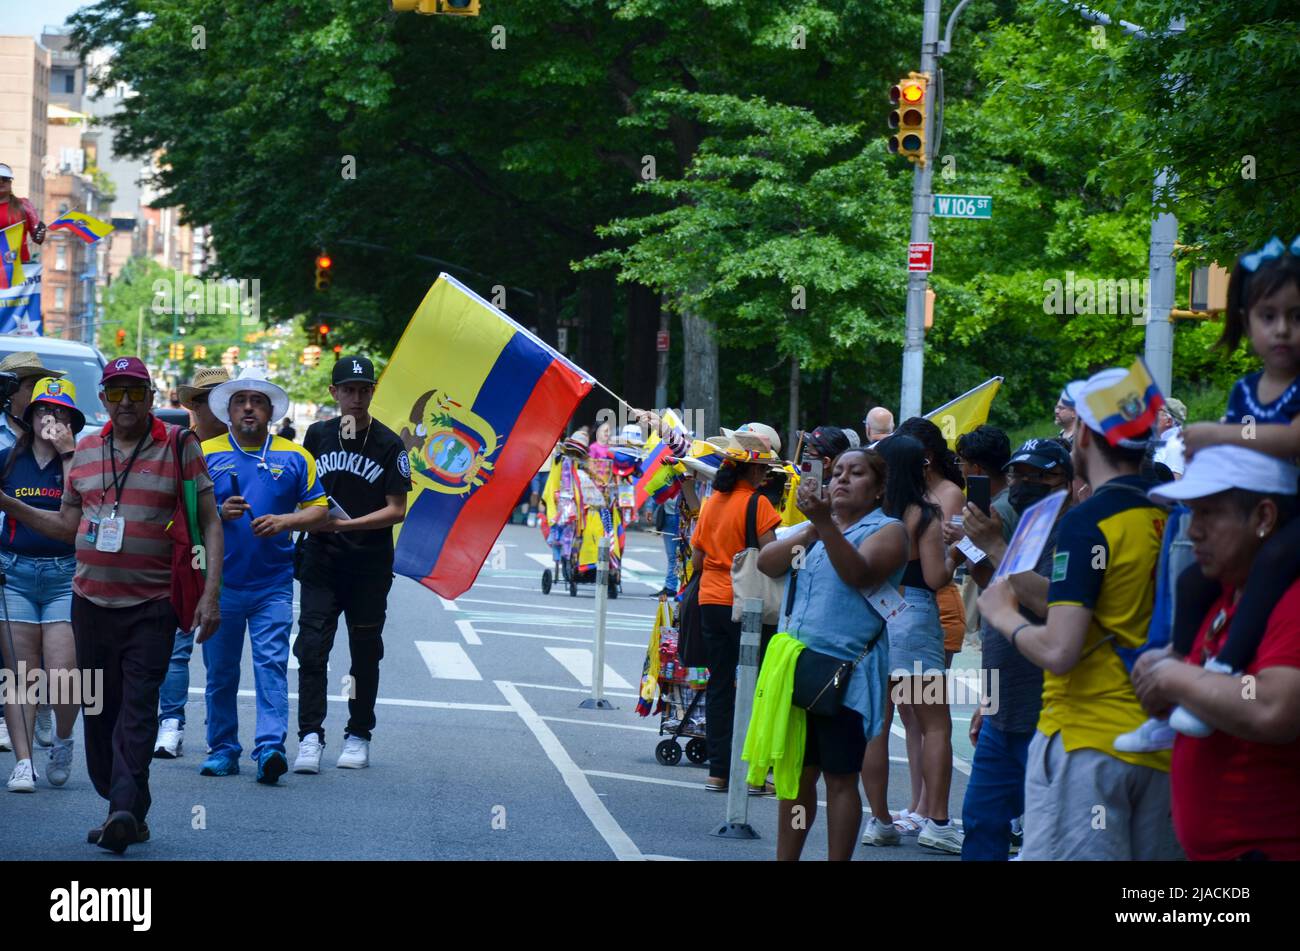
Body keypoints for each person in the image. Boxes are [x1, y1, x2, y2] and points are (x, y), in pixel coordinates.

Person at [0, 356, 223, 852]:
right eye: (116, 392)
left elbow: (209, 520)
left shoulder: (179, 445)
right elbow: (64, 526)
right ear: (102, 399)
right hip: (90, 603)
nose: (126, 402)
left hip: (153, 604)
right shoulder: (83, 451)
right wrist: (10, 505)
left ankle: (120, 809)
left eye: (135, 392)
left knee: (138, 710)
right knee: (99, 715)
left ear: (150, 395)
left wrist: (210, 593)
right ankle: (128, 808)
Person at [977, 366, 1181, 861]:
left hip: (1088, 744)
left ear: (1085, 435)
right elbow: (1084, 602)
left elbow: (1059, 649)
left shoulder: (1089, 522)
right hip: (1161, 748)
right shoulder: (1170, 516)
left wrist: (1003, 614)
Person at [1130, 446, 1300, 860]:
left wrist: (1174, 678)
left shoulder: (1292, 602)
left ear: (1263, 517)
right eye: (1191, 514)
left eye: (1209, 514)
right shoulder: (1224, 594)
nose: (1193, 532)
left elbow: (1271, 706)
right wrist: (1169, 679)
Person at [1159, 238, 1300, 738]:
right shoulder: (1244, 387)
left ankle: (1224, 671)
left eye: (1296, 316)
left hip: (1290, 512)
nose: (1282, 329)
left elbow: (1292, 437)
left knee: (1275, 562)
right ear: (1246, 319)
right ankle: (1175, 670)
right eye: (1268, 316)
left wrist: (1218, 434)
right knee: (1190, 580)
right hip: (1258, 499)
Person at [755, 447, 909, 860]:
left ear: (877, 490)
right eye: (837, 472)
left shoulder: (888, 530)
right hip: (799, 668)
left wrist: (825, 524)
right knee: (797, 777)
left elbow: (858, 573)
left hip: (847, 675)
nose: (841, 479)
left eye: (856, 473)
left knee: (841, 778)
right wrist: (811, 528)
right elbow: (768, 564)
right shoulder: (816, 530)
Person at [199, 370, 328, 784]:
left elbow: (319, 510)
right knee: (220, 673)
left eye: (257, 401)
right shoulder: (205, 453)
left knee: (271, 665)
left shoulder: (295, 456)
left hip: (273, 583)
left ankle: (270, 747)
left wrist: (285, 521)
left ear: (271, 411)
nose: (249, 408)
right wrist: (218, 513)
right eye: (241, 402)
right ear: (229, 411)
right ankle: (223, 748)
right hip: (220, 585)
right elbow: (182, 513)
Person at [954, 438, 1074, 860]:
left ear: (1068, 482)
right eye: (1017, 474)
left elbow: (1048, 600)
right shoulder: (1024, 527)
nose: (1024, 483)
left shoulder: (1076, 533)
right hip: (1002, 711)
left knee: (1049, 836)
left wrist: (994, 545)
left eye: (1038, 474)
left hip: (1050, 712)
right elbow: (1000, 595)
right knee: (981, 821)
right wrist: (987, 700)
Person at [292, 356, 410, 773]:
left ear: (373, 392)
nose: (356, 398)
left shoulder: (389, 444)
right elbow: (301, 490)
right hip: (321, 561)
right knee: (311, 647)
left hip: (368, 564)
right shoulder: (317, 435)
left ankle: (358, 734)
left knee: (364, 654)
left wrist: (349, 525)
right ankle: (309, 736)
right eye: (349, 389)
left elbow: (397, 509)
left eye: (364, 389)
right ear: (334, 393)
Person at [862, 433, 959, 852]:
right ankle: (937, 822)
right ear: (917, 467)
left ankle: (880, 820)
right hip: (916, 617)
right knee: (935, 724)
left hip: (871, 617)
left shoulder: (869, 513)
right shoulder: (925, 513)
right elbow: (937, 577)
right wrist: (958, 553)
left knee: (876, 726)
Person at [1, 378, 85, 792]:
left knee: (64, 673)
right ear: (29, 418)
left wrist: (68, 452)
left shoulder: (81, 459)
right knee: (20, 674)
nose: (52, 419)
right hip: (14, 573)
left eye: (62, 412)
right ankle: (22, 761)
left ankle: (64, 740)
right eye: (44, 411)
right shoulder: (7, 460)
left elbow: (78, 508)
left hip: (64, 575)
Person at [690, 428, 783, 793]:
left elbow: (698, 559)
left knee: (719, 685)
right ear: (752, 471)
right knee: (756, 687)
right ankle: (754, 773)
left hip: (710, 601)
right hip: (747, 606)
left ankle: (718, 770)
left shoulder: (712, 502)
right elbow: (772, 560)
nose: (765, 475)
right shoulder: (758, 505)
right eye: (762, 470)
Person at [892, 416, 965, 832]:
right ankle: (919, 805)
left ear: (927, 457)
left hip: (937, 608)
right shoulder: (914, 496)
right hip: (914, 609)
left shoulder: (946, 494)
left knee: (928, 716)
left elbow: (939, 561)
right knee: (910, 714)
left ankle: (930, 809)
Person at [153, 366, 230, 759]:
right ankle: (170, 723)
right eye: (206, 400)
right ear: (194, 405)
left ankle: (223, 740)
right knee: (175, 646)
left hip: (235, 567)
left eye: (221, 399)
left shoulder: (247, 446)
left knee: (221, 659)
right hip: (183, 557)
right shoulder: (176, 445)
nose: (213, 408)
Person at [0, 352, 66, 753]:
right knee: (14, 651)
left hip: (52, 562)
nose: (42, 402)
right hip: (8, 557)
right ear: (13, 393)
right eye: (31, 388)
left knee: (46, 649)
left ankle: (40, 708)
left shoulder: (63, 443)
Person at [0, 163, 45, 266]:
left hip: (19, 266)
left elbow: (37, 238)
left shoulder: (24, 205)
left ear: (11, 182)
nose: (1, 181)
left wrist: (40, 231)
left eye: (5, 178)